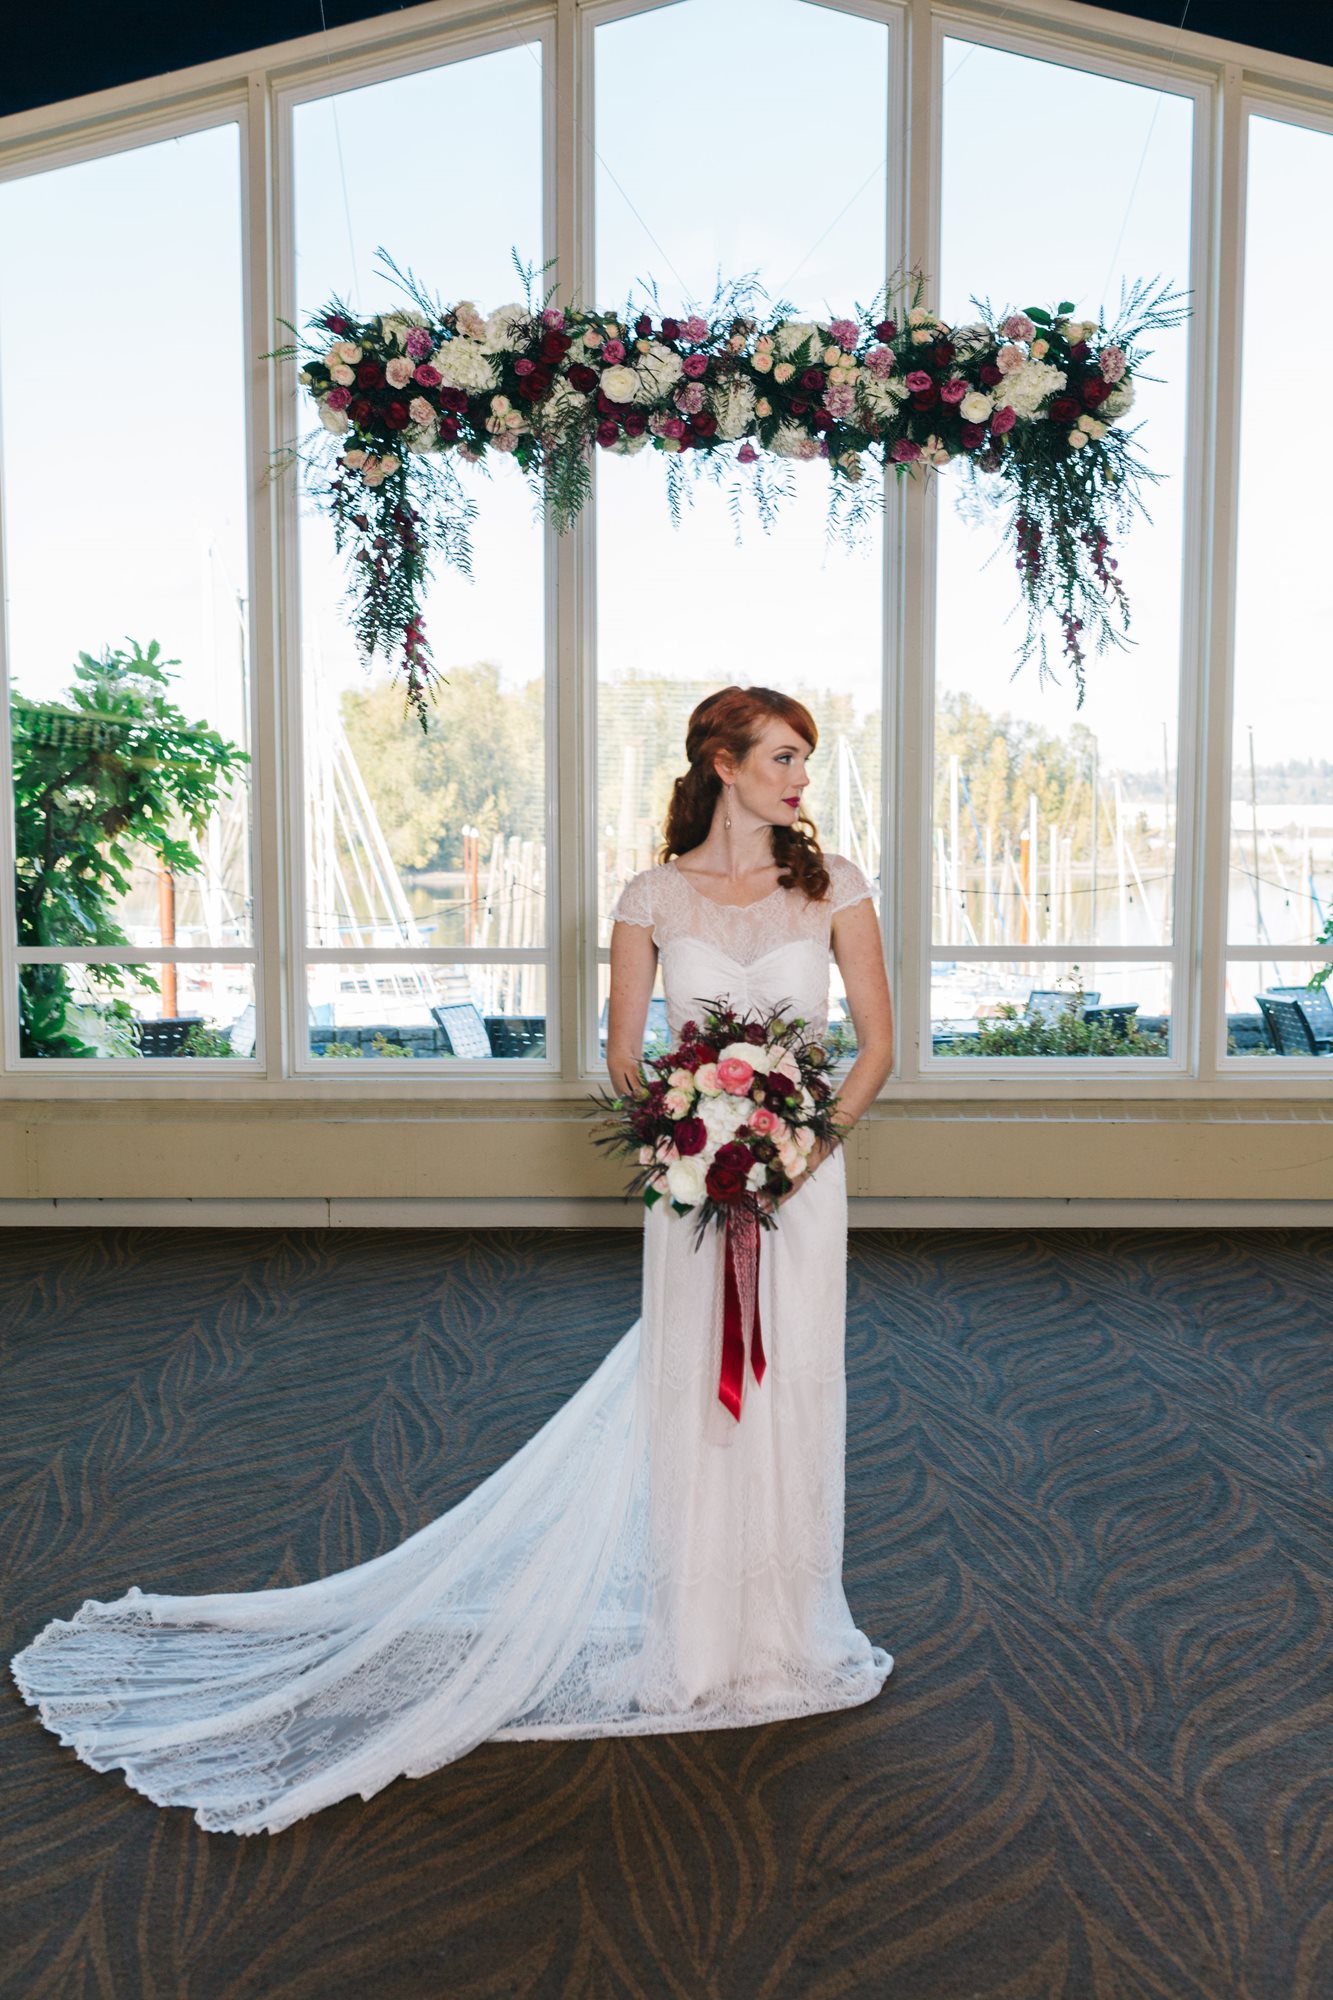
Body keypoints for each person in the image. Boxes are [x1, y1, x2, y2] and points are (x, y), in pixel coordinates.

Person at [10, 685, 895, 1836]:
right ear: (721, 763)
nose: (798, 780)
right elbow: (626, 1058)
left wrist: (802, 1145)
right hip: (691, 1191)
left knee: (793, 1383)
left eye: (803, 762)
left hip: (801, 1189)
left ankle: (784, 1626)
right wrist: (688, 1138)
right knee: (695, 1389)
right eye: (781, 757)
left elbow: (876, 1044)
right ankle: (693, 1637)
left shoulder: (835, 888)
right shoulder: (649, 896)